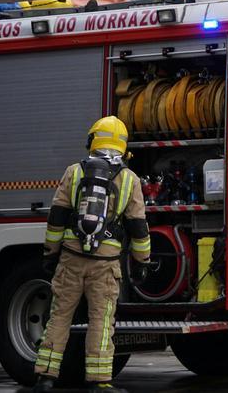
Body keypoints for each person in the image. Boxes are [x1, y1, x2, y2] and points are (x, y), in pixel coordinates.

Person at [33, 116, 152, 393]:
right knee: (101, 321)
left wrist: (50, 253)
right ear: (123, 146)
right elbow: (138, 226)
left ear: (93, 140)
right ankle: (99, 381)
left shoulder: (74, 172)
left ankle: (45, 377)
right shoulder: (129, 179)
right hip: (106, 265)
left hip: (71, 258)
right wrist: (142, 261)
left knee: (59, 316)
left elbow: (57, 217)